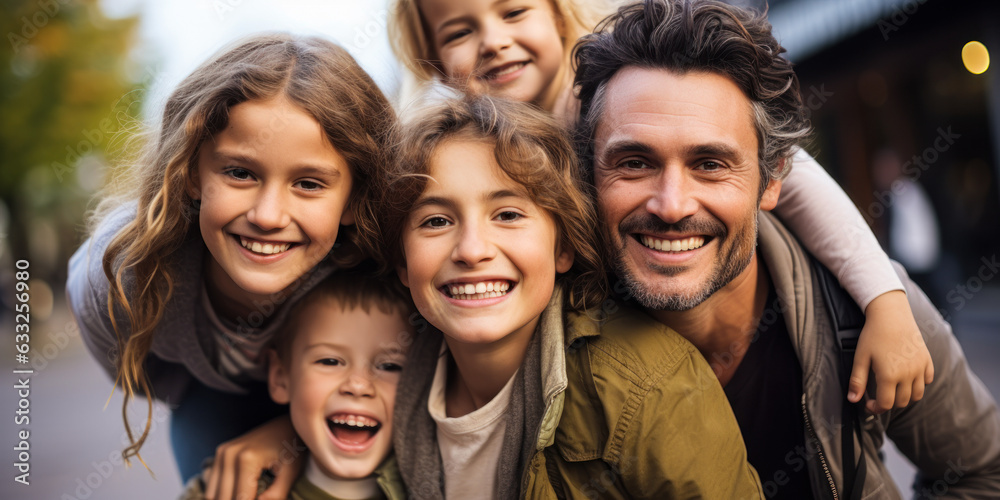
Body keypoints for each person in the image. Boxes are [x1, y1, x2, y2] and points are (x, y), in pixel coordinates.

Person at [387, 0, 934, 416]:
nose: (494, 41)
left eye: (514, 12)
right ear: (432, 60)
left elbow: (802, 184)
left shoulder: (610, 99)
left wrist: (884, 299)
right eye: (460, 30)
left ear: (558, 17)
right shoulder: (458, 153)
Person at [571, 1, 1000, 498]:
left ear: (772, 179)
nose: (671, 205)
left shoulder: (868, 312)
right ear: (589, 174)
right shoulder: (546, 342)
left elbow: (983, 474)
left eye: (709, 164)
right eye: (634, 162)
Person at [380, 94, 762, 499]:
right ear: (403, 262)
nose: (472, 250)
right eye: (436, 221)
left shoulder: (649, 386)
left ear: (563, 246)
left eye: (508, 214)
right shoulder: (386, 380)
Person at [64, 32, 397, 497]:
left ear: (353, 199)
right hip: (210, 398)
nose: (267, 216)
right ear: (191, 173)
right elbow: (143, 375)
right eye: (240, 173)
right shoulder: (123, 274)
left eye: (308, 184)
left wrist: (291, 430)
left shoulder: (370, 266)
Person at [179, 272, 411, 500]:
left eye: (390, 366)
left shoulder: (437, 484)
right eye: (329, 361)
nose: (358, 385)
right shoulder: (225, 490)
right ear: (280, 377)